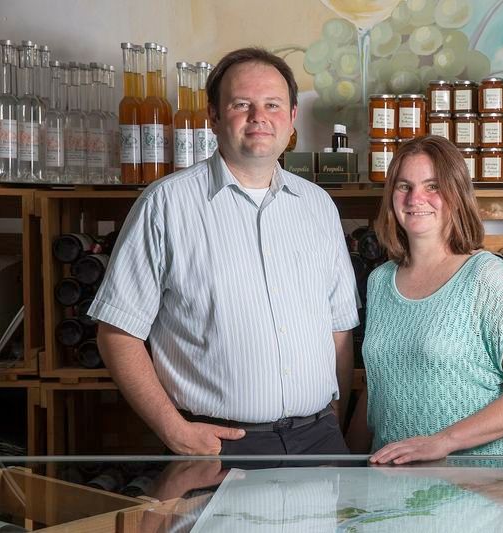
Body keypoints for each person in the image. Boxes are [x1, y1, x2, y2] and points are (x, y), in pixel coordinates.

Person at [89, 47, 359, 456]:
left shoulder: (318, 206)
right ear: (213, 117)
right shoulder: (165, 205)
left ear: (291, 118)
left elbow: (339, 330)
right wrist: (172, 429)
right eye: (241, 104)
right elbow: (117, 332)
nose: (259, 117)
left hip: (319, 441)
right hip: (217, 446)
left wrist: (334, 415)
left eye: (272, 104)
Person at [347, 136, 503, 463]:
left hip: (468, 495)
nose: (416, 198)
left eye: (432, 186)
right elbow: (378, 388)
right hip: (387, 491)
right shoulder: (380, 280)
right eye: (404, 186)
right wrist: (345, 466)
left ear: (456, 194)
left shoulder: (486, 276)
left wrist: (444, 441)